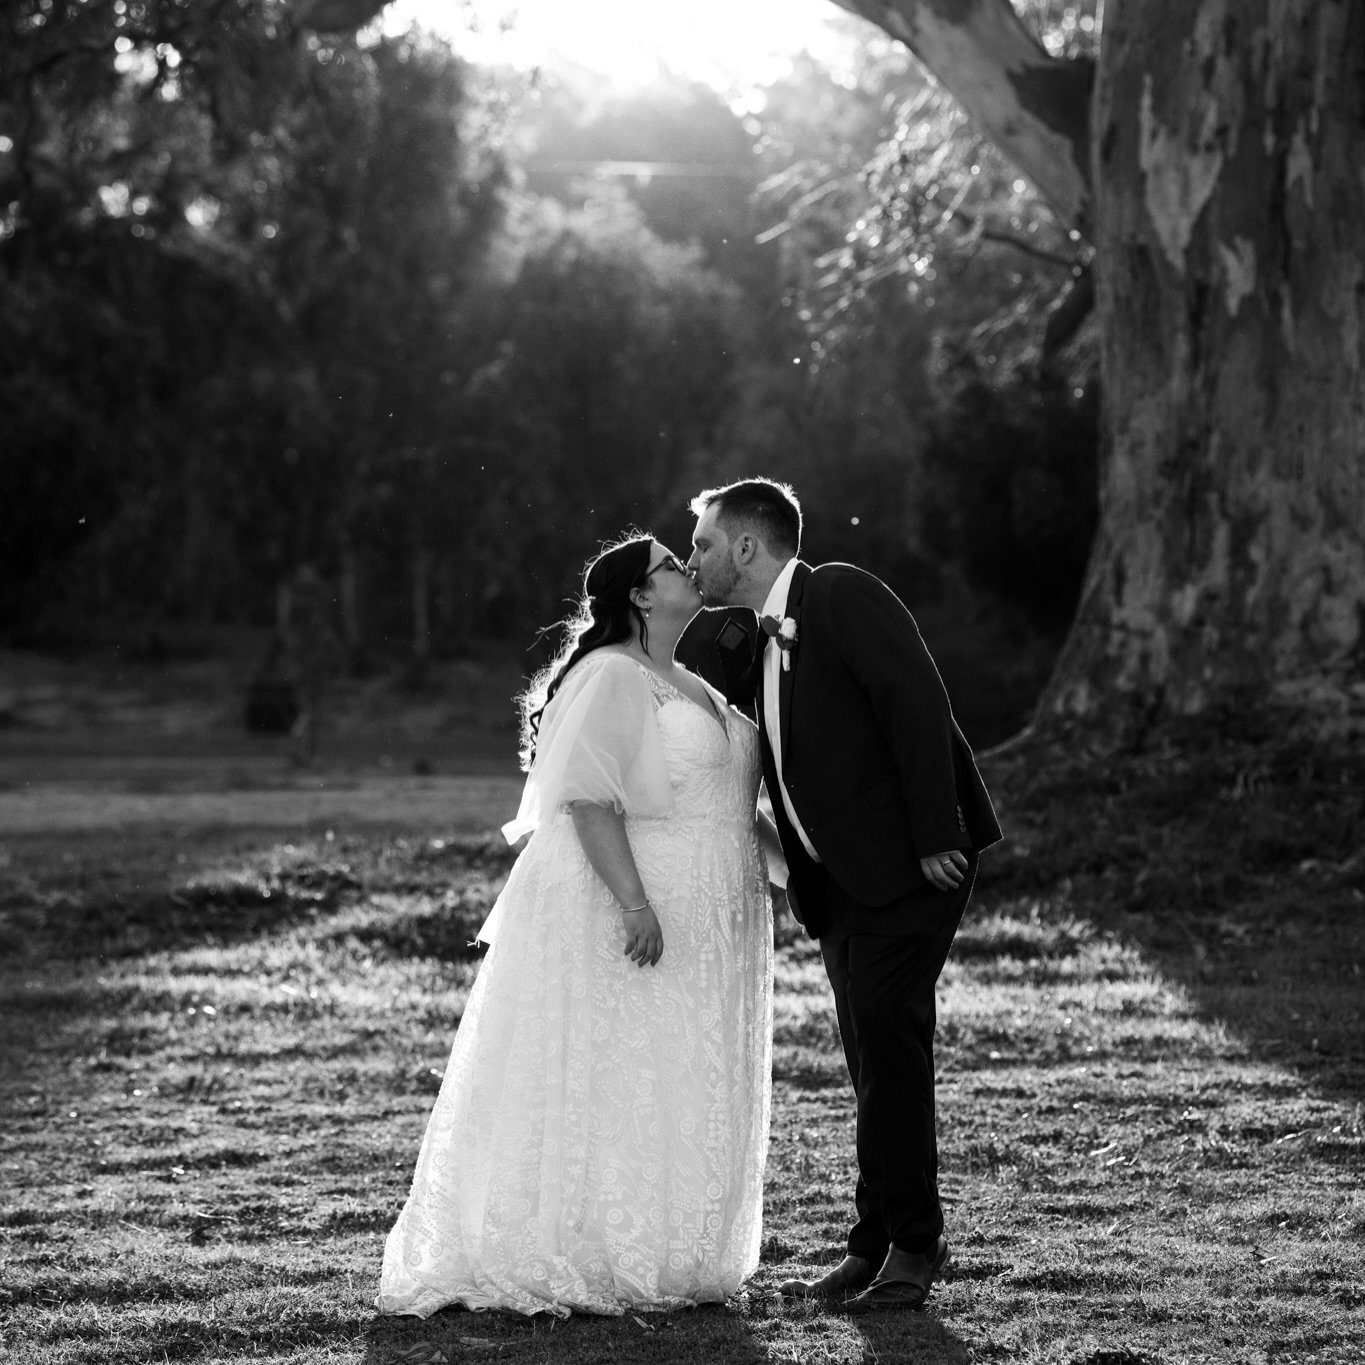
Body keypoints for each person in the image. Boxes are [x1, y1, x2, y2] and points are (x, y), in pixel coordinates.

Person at [377, 535, 777, 1318]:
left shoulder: (693, 680)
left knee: (676, 1070)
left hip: (716, 914)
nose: (686, 569)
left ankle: (671, 1244)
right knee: (624, 1068)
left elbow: (730, 805)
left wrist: (808, 872)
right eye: (669, 565)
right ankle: (596, 1246)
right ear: (640, 594)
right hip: (646, 902)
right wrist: (634, 903)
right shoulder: (613, 674)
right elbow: (587, 799)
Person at [687, 478, 1002, 1313]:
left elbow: (916, 702)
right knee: (868, 1057)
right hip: (839, 885)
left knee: (890, 1048)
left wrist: (936, 831)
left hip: (913, 866)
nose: (694, 560)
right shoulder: (751, 637)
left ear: (747, 546)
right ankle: (871, 1243)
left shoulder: (840, 593)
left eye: (704, 544)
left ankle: (914, 1243)